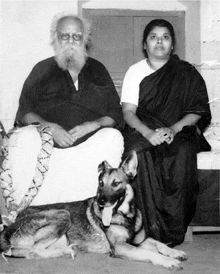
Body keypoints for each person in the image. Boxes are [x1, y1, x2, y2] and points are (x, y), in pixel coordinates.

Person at [121, 19, 211, 247]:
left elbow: (197, 111)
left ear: (172, 45)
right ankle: (143, 228)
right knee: (137, 152)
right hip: (144, 128)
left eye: (165, 37)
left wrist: (173, 129)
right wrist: (149, 133)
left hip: (179, 130)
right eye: (153, 37)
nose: (159, 41)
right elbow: (128, 112)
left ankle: (173, 230)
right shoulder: (135, 72)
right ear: (145, 44)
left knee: (182, 152)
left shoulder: (186, 73)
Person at [15, 13, 124, 148]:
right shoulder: (41, 69)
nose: (71, 41)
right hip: (47, 142)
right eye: (65, 36)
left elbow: (115, 112)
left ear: (84, 39)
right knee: (23, 137)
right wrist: (50, 128)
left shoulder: (98, 69)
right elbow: (25, 112)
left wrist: (93, 125)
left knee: (114, 137)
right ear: (56, 38)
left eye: (77, 36)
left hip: (92, 144)